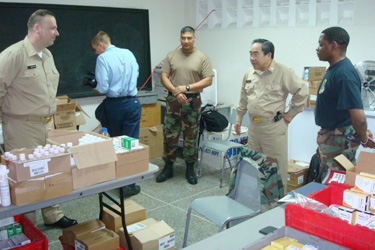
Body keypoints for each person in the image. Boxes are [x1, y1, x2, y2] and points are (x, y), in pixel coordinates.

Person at [0, 9, 77, 228]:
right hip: (21, 126)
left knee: (48, 172)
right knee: (27, 179)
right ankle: (28, 226)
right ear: (37, 28)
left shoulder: (47, 55)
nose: (57, 33)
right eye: (53, 28)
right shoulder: (14, 55)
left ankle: (52, 214)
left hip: (45, 125)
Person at [235, 39, 308, 192]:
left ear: (269, 55)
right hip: (253, 127)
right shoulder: (249, 73)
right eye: (250, 54)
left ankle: (276, 204)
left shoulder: (283, 72)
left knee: (275, 167)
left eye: (256, 54)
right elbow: (243, 98)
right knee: (254, 163)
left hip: (273, 128)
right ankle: (256, 199)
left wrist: (291, 114)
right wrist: (239, 118)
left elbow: (302, 91)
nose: (251, 58)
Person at [315, 26, 375, 180]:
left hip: (338, 140)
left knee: (336, 181)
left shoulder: (344, 73)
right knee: (327, 178)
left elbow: (359, 118)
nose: (317, 49)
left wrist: (363, 138)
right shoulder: (334, 70)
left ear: (333, 45)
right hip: (331, 137)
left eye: (321, 45)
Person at [156, 26, 214, 185]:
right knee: (169, 134)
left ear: (194, 38)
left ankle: (190, 168)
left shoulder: (202, 57)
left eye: (189, 38)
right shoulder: (172, 55)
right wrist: (176, 91)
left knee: (191, 136)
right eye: (183, 38)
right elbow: (164, 77)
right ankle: (168, 166)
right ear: (180, 38)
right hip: (174, 100)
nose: (186, 41)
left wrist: (187, 88)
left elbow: (208, 79)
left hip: (192, 100)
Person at [91, 31, 142, 196]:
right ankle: (130, 184)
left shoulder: (103, 58)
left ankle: (119, 179)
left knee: (117, 144)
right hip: (133, 103)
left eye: (95, 49)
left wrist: (94, 85)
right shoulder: (128, 53)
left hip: (115, 106)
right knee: (130, 144)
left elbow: (103, 88)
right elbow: (136, 74)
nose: (96, 53)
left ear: (101, 44)